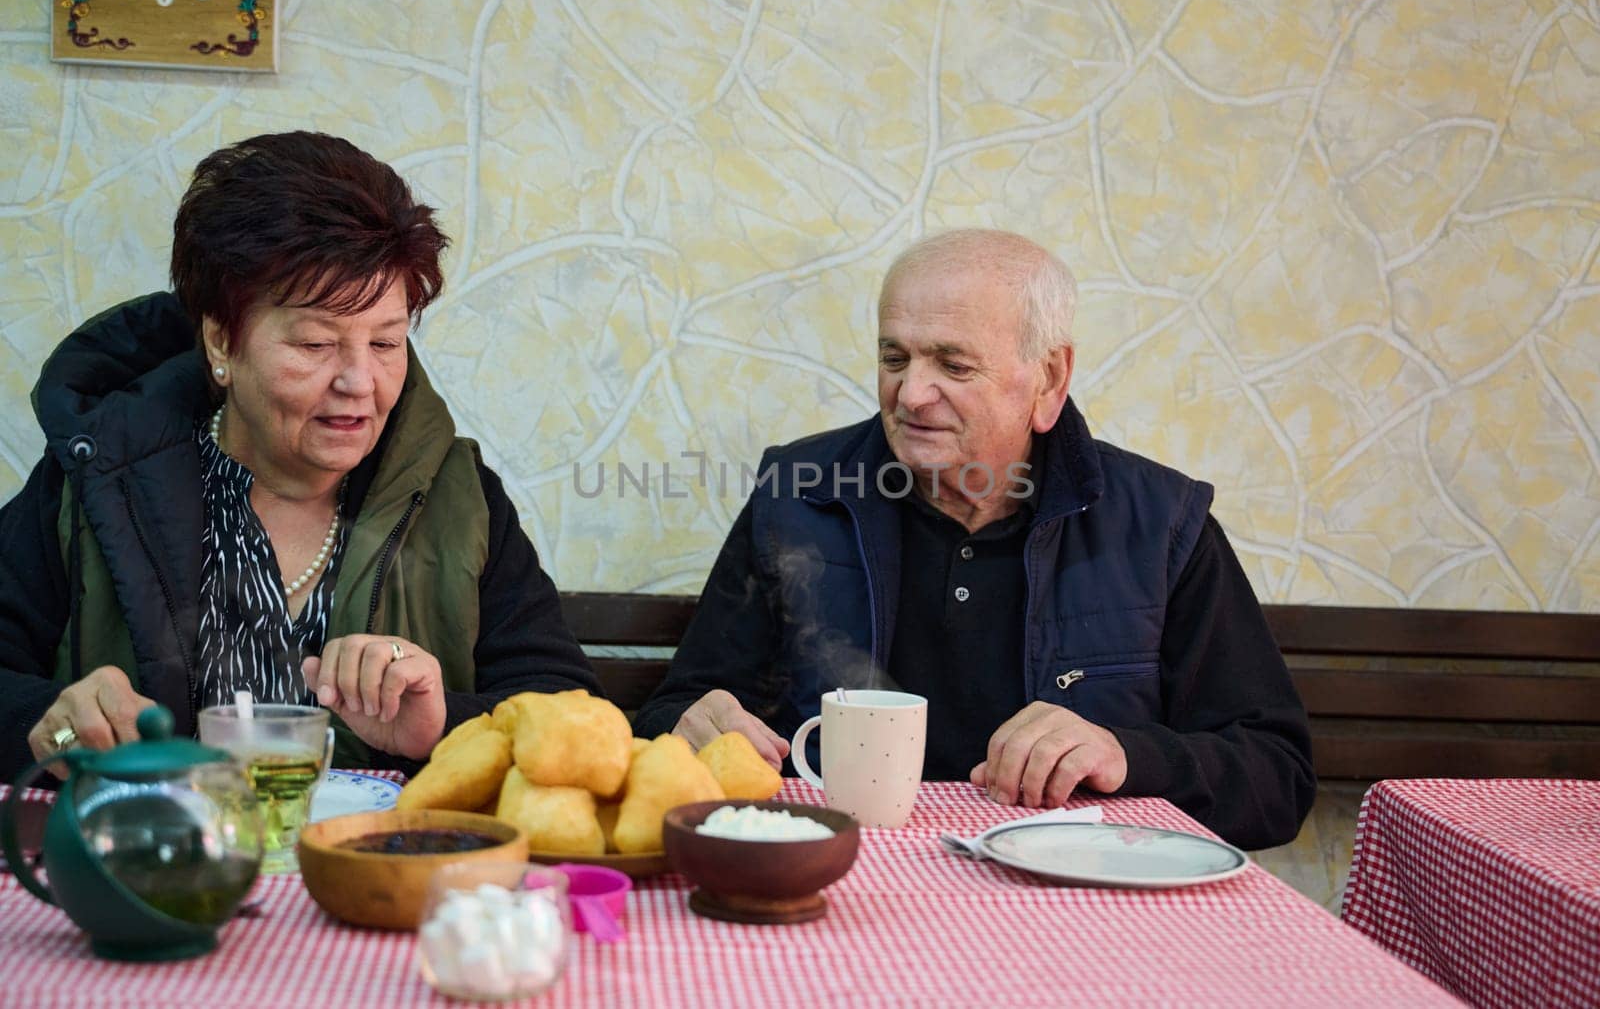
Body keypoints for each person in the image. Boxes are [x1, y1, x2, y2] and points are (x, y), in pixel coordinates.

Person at [633, 229, 1314, 849]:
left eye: (953, 366)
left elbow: (1275, 777)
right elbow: (674, 708)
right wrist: (687, 726)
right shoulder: (797, 496)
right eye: (894, 357)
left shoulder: (1162, 523)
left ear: (1049, 379)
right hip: (838, 876)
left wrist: (1128, 754)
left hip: (1080, 907)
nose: (911, 394)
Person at [0, 131, 599, 780]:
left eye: (387, 342)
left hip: (377, 874)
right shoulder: (101, 478)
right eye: (316, 343)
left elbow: (569, 714)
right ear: (222, 342)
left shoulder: (456, 495)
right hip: (153, 868)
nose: (359, 382)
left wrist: (441, 725)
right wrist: (51, 722)